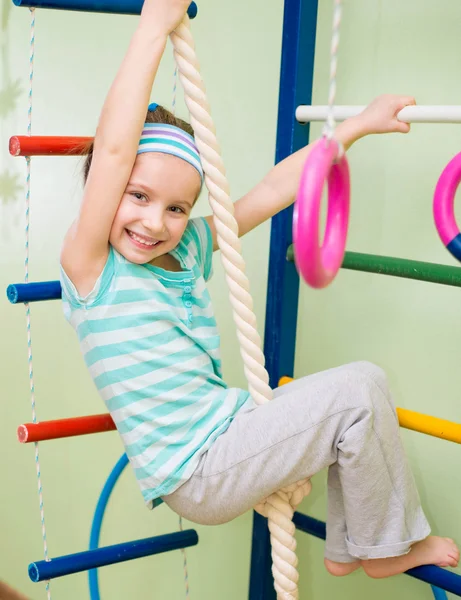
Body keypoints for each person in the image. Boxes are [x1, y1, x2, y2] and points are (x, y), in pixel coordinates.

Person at [59, 0, 459, 579]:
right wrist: (153, 26)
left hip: (228, 431)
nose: (155, 222)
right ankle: (385, 547)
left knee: (365, 385)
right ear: (106, 189)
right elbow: (116, 151)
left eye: (177, 208)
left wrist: (356, 126)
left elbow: (272, 190)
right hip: (200, 469)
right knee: (354, 396)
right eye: (137, 196)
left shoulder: (188, 249)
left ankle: (355, 547)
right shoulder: (91, 266)